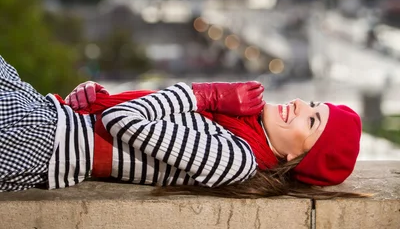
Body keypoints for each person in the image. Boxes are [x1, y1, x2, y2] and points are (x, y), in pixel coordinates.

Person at [0, 55, 362, 198]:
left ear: (296, 157)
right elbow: (122, 117)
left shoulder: (235, 159)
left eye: (312, 120)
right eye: (314, 105)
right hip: (47, 119)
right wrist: (97, 100)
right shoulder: (240, 129)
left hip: (41, 140)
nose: (300, 105)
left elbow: (120, 122)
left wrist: (203, 94)